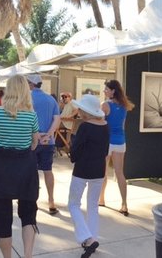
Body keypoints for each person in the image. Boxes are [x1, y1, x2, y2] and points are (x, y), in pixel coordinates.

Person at [0, 74, 40, 258]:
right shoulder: (31, 116)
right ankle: (28, 254)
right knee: (28, 213)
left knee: (2, 216)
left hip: (1, 168)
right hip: (25, 168)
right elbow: (34, 143)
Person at [68, 94, 109, 258]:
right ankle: (92, 238)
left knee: (73, 204)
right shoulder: (105, 125)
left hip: (82, 169)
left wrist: (73, 151)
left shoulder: (84, 127)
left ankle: (87, 238)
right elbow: (105, 150)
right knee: (92, 205)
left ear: (86, 111)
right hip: (99, 169)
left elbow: (75, 150)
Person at [98, 80, 135, 216]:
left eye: (106, 89)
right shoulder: (124, 106)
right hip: (120, 141)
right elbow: (123, 126)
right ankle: (124, 204)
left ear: (113, 91)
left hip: (107, 141)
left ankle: (101, 199)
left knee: (103, 172)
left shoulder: (105, 105)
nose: (104, 91)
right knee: (120, 173)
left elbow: (100, 122)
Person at [27, 74, 61, 215]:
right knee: (48, 170)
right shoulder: (51, 99)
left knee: (30, 171)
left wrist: (37, 135)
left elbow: (25, 119)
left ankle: (31, 200)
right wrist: (48, 134)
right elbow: (57, 119)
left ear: (30, 84)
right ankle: (51, 201)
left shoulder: (26, 98)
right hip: (48, 141)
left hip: (31, 140)